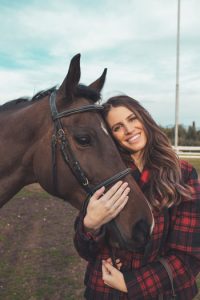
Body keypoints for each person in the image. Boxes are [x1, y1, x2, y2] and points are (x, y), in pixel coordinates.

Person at [74, 95, 200, 299]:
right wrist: (90, 224)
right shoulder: (102, 176)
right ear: (110, 135)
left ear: (144, 118)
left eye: (132, 119)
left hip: (164, 293)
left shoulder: (182, 174)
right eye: (117, 127)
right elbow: (86, 251)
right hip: (107, 292)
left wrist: (129, 283)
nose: (129, 130)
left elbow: (188, 258)